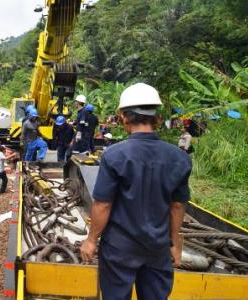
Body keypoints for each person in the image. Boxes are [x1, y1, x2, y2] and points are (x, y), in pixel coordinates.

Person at [80, 83, 192, 300]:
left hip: (119, 249)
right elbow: (177, 205)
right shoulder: (179, 158)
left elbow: (103, 204)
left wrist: (92, 239)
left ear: (124, 118)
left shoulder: (114, 155)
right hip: (157, 249)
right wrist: (174, 241)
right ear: (158, 118)